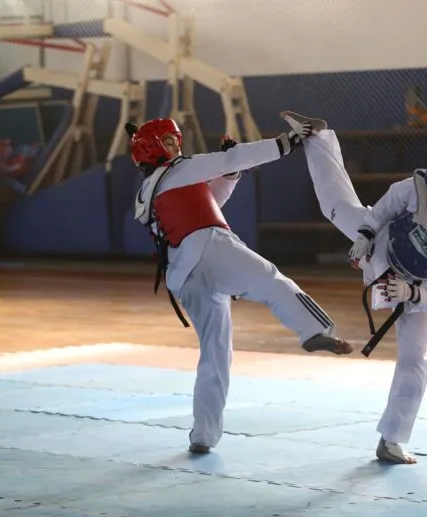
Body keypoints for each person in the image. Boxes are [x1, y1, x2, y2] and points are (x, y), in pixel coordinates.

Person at [280, 111, 427, 465]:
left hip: (417, 288)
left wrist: (413, 295)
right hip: (381, 245)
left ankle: (393, 440)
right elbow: (382, 210)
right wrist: (365, 235)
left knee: (414, 361)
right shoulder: (418, 185)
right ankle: (318, 137)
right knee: (335, 206)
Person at [127, 117, 353, 454]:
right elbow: (234, 159)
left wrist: (229, 176)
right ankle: (315, 330)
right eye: (170, 142)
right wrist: (286, 142)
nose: (178, 147)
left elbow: (208, 203)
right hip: (210, 246)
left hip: (183, 274)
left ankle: (203, 435)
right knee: (272, 280)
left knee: (215, 354)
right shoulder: (182, 169)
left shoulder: (149, 190)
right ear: (154, 148)